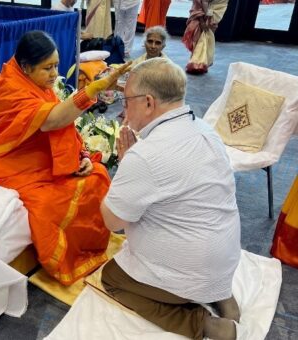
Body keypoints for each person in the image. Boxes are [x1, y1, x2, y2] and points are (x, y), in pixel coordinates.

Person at [99, 58, 241, 340]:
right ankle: (220, 295)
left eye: (126, 101)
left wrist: (126, 166)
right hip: (225, 258)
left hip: (190, 268)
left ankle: (203, 324)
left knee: (112, 278)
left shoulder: (146, 155)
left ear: (149, 103)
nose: (123, 109)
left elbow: (112, 221)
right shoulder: (205, 130)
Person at [0, 31, 130, 285]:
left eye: (56, 65)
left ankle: (87, 248)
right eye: (47, 68)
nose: (53, 73)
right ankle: (69, 258)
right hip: (12, 166)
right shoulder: (9, 87)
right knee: (48, 206)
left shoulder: (37, 83)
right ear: (26, 68)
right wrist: (92, 89)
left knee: (97, 175)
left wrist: (80, 154)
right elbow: (52, 121)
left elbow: (62, 125)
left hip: (41, 160)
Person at [182, 0, 229, 74]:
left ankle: (201, 62)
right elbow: (203, 2)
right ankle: (197, 64)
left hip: (213, 13)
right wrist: (203, 20)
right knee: (203, 37)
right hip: (206, 15)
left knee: (206, 38)